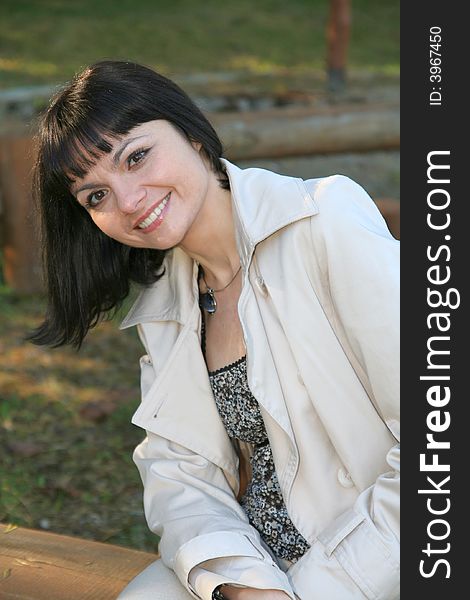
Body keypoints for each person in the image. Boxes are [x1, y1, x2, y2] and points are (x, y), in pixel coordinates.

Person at [29, 60, 400, 599]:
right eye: (96, 196)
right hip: (256, 566)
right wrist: (240, 583)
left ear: (194, 137)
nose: (129, 202)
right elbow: (179, 474)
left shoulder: (324, 222)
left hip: (378, 558)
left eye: (136, 157)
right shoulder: (169, 300)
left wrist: (318, 588)